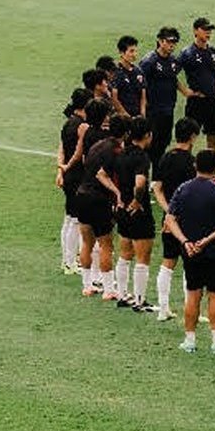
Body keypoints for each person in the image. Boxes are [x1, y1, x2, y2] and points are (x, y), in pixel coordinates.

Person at [164, 149, 215, 354]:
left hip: (191, 251)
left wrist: (185, 241)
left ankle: (190, 340)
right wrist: (208, 239)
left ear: (195, 166)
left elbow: (169, 219)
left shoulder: (183, 189)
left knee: (193, 294)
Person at [75, 112, 128, 299]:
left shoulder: (97, 145)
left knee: (87, 242)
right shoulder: (116, 151)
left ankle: (87, 286)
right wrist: (117, 192)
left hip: (81, 195)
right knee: (106, 244)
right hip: (98, 199)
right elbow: (101, 174)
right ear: (126, 133)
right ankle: (108, 289)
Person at [152, 118, 200, 322]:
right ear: (192, 137)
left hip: (169, 219)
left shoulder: (166, 157)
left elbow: (157, 189)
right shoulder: (192, 162)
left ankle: (163, 309)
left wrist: (169, 212)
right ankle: (192, 311)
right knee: (191, 264)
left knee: (168, 262)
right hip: (189, 219)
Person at [113, 117, 157, 312]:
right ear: (147, 135)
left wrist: (120, 197)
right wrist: (137, 201)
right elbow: (140, 183)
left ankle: (122, 295)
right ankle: (140, 300)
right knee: (142, 257)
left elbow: (106, 174)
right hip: (138, 212)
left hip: (122, 210)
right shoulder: (141, 157)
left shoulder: (122, 154)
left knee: (124, 254)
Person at [140, 26, 195, 170]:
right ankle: (143, 177)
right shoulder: (149, 62)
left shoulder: (173, 61)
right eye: (169, 41)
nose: (172, 45)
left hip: (168, 109)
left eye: (174, 42)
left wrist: (185, 91)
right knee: (150, 144)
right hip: (153, 111)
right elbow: (140, 85)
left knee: (163, 143)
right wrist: (143, 107)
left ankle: (156, 179)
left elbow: (172, 78)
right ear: (160, 41)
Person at [56, 88, 93, 275]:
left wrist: (61, 169)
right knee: (76, 221)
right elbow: (81, 154)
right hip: (77, 175)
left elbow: (62, 148)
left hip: (69, 175)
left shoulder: (68, 123)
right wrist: (68, 166)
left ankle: (67, 260)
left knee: (69, 218)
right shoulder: (82, 126)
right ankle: (71, 262)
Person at [180, 17, 215, 153]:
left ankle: (211, 169)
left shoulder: (214, 52)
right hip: (196, 102)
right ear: (195, 31)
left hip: (213, 102)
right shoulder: (187, 53)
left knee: (213, 138)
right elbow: (172, 72)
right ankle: (186, 166)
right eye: (205, 30)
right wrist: (185, 91)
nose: (208, 33)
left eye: (210, 30)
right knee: (189, 138)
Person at [111, 35, 146, 118]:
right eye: (131, 51)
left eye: (135, 51)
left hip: (138, 117)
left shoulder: (139, 71)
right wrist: (127, 117)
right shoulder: (116, 72)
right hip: (123, 119)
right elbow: (114, 99)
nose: (134, 54)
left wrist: (142, 114)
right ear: (122, 53)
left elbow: (143, 95)